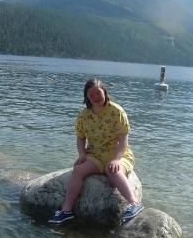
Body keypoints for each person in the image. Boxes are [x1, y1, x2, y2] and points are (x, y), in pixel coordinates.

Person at [48, 78, 143, 224]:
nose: (95, 97)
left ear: (104, 92)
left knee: (113, 171)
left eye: (98, 93)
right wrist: (82, 155)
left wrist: (116, 159)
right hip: (95, 154)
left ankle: (134, 203)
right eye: (91, 95)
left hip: (118, 153)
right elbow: (80, 139)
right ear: (86, 97)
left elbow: (124, 140)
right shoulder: (83, 115)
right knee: (78, 170)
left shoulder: (116, 111)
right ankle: (66, 211)